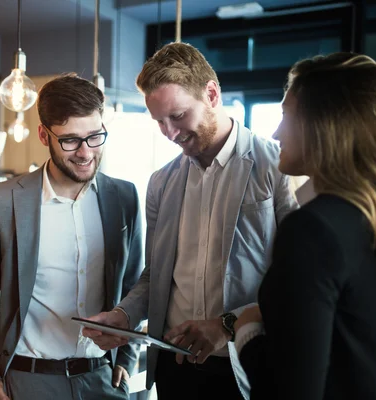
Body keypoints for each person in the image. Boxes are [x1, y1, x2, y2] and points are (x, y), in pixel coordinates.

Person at [82, 42, 298, 399]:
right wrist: (123, 316)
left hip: (248, 365)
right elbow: (156, 275)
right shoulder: (161, 183)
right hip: (175, 367)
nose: (168, 133)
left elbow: (295, 278)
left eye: (178, 116)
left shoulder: (278, 166)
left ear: (211, 94)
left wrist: (226, 325)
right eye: (159, 121)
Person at [233, 53, 376, 399]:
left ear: (323, 125)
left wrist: (247, 329)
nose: (276, 132)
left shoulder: (312, 230)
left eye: (286, 114)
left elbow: (291, 390)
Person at [0, 74, 143, 400]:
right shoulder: (3, 202)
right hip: (29, 379)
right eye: (71, 140)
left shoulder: (124, 197)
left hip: (103, 377)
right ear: (44, 135)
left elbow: (133, 285)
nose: (86, 152)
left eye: (95, 136)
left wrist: (127, 360)